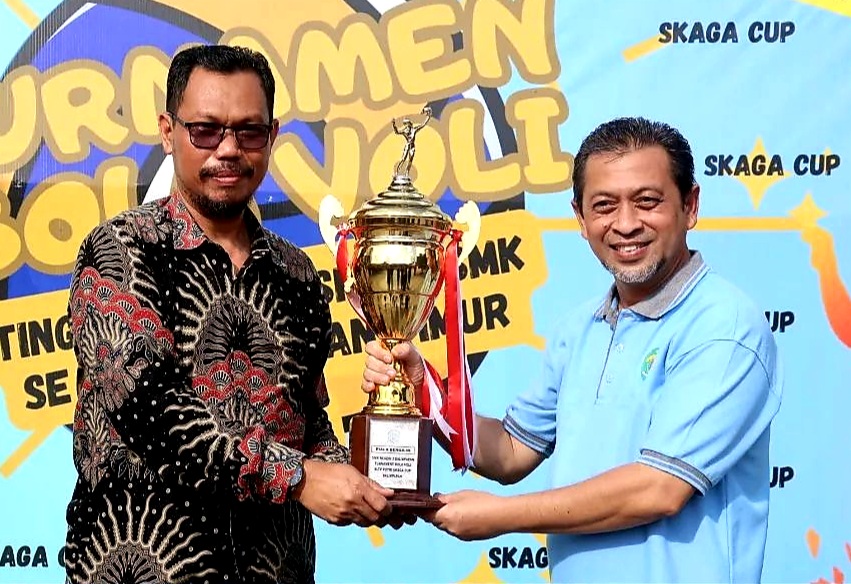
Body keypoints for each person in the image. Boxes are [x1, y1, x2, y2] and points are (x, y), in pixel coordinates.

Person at [362, 117, 783, 583]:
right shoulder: (579, 329)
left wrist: (501, 516)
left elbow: (658, 489)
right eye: (604, 206)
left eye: (647, 201)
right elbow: (510, 452)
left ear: (690, 205)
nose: (626, 224)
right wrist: (423, 389)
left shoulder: (724, 327)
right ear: (581, 218)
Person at [65, 45, 394, 584]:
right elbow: (154, 412)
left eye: (249, 132)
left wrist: (367, 477)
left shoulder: (297, 273)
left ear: (272, 135)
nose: (228, 150)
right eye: (205, 130)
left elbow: (307, 421)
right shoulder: (120, 251)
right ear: (168, 131)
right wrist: (299, 478)